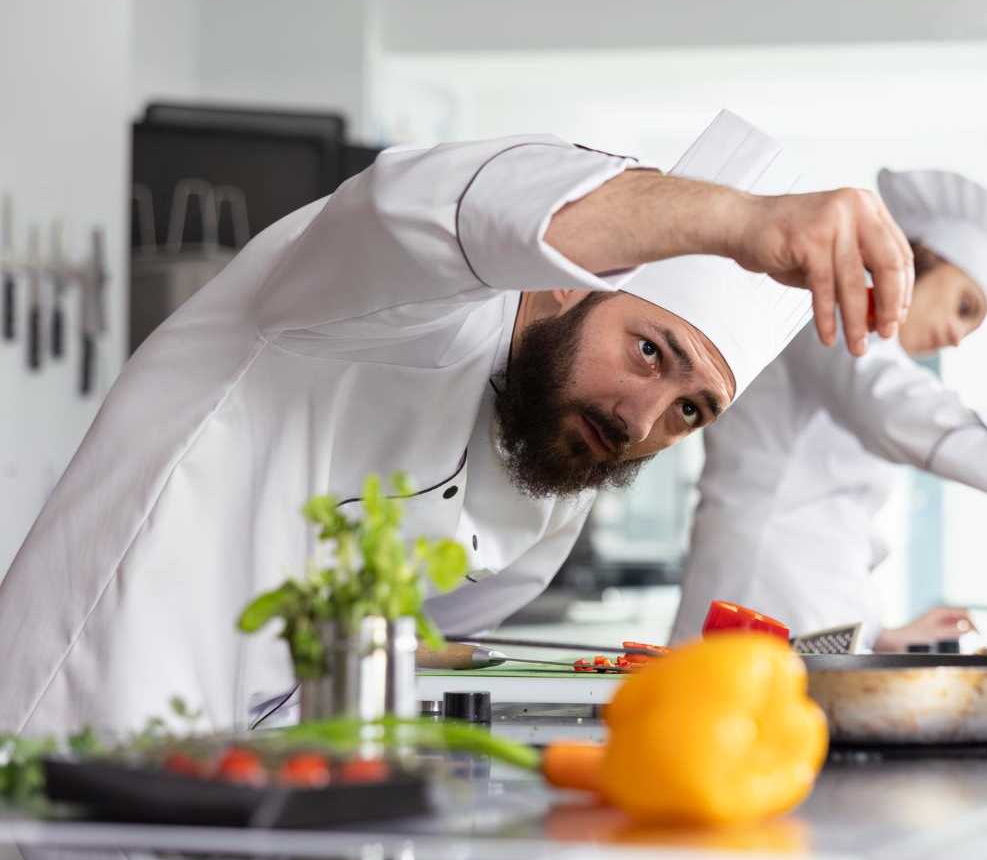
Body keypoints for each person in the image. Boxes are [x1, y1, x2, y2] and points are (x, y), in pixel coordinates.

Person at [0, 112, 914, 736]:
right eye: (648, 351)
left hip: (256, 781)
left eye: (689, 410)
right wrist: (735, 219)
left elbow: (431, 638)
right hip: (73, 728)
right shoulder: (403, 296)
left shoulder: (553, 470)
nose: (641, 422)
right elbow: (434, 203)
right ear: (569, 276)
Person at [672, 167, 987, 652]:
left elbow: (835, 526)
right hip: (756, 593)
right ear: (915, 256)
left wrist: (882, 634)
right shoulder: (830, 306)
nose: (957, 337)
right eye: (965, 306)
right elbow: (893, 408)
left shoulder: (864, 353)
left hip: (804, 605)